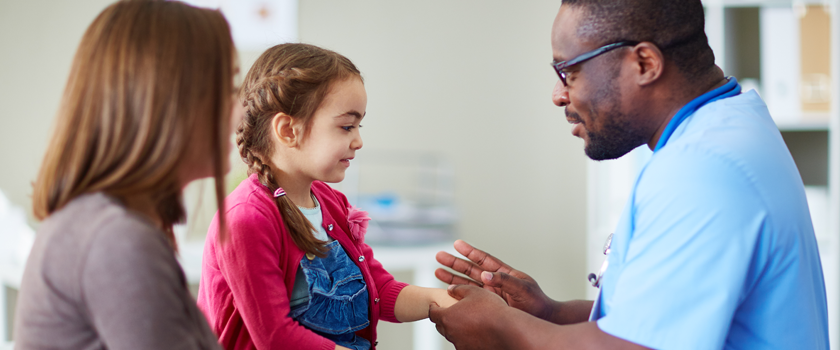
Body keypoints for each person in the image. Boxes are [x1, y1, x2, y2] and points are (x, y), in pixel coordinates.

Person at [429, 0, 829, 349]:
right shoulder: (730, 127)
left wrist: (502, 328)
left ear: (644, 63)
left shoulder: (701, 170)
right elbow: (665, 322)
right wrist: (547, 313)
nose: (558, 94)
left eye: (569, 71)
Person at [196, 43, 457, 350]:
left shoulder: (332, 203)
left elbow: (379, 290)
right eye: (346, 126)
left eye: (359, 126)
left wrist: (440, 300)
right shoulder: (245, 220)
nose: (358, 141)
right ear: (288, 130)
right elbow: (276, 338)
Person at [13, 1, 240, 349]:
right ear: (168, 100)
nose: (240, 109)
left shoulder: (108, 226)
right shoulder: (116, 241)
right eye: (228, 88)